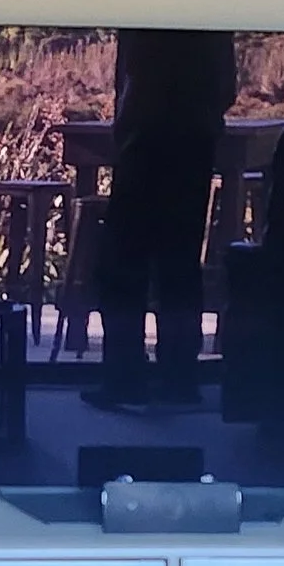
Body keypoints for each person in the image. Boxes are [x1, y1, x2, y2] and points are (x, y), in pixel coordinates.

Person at [84, 27, 236, 410]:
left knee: (122, 263)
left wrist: (128, 124)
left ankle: (124, 375)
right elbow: (225, 86)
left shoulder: (146, 21)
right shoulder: (211, 23)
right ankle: (179, 378)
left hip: (145, 140)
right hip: (194, 143)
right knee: (180, 263)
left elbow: (133, 72)